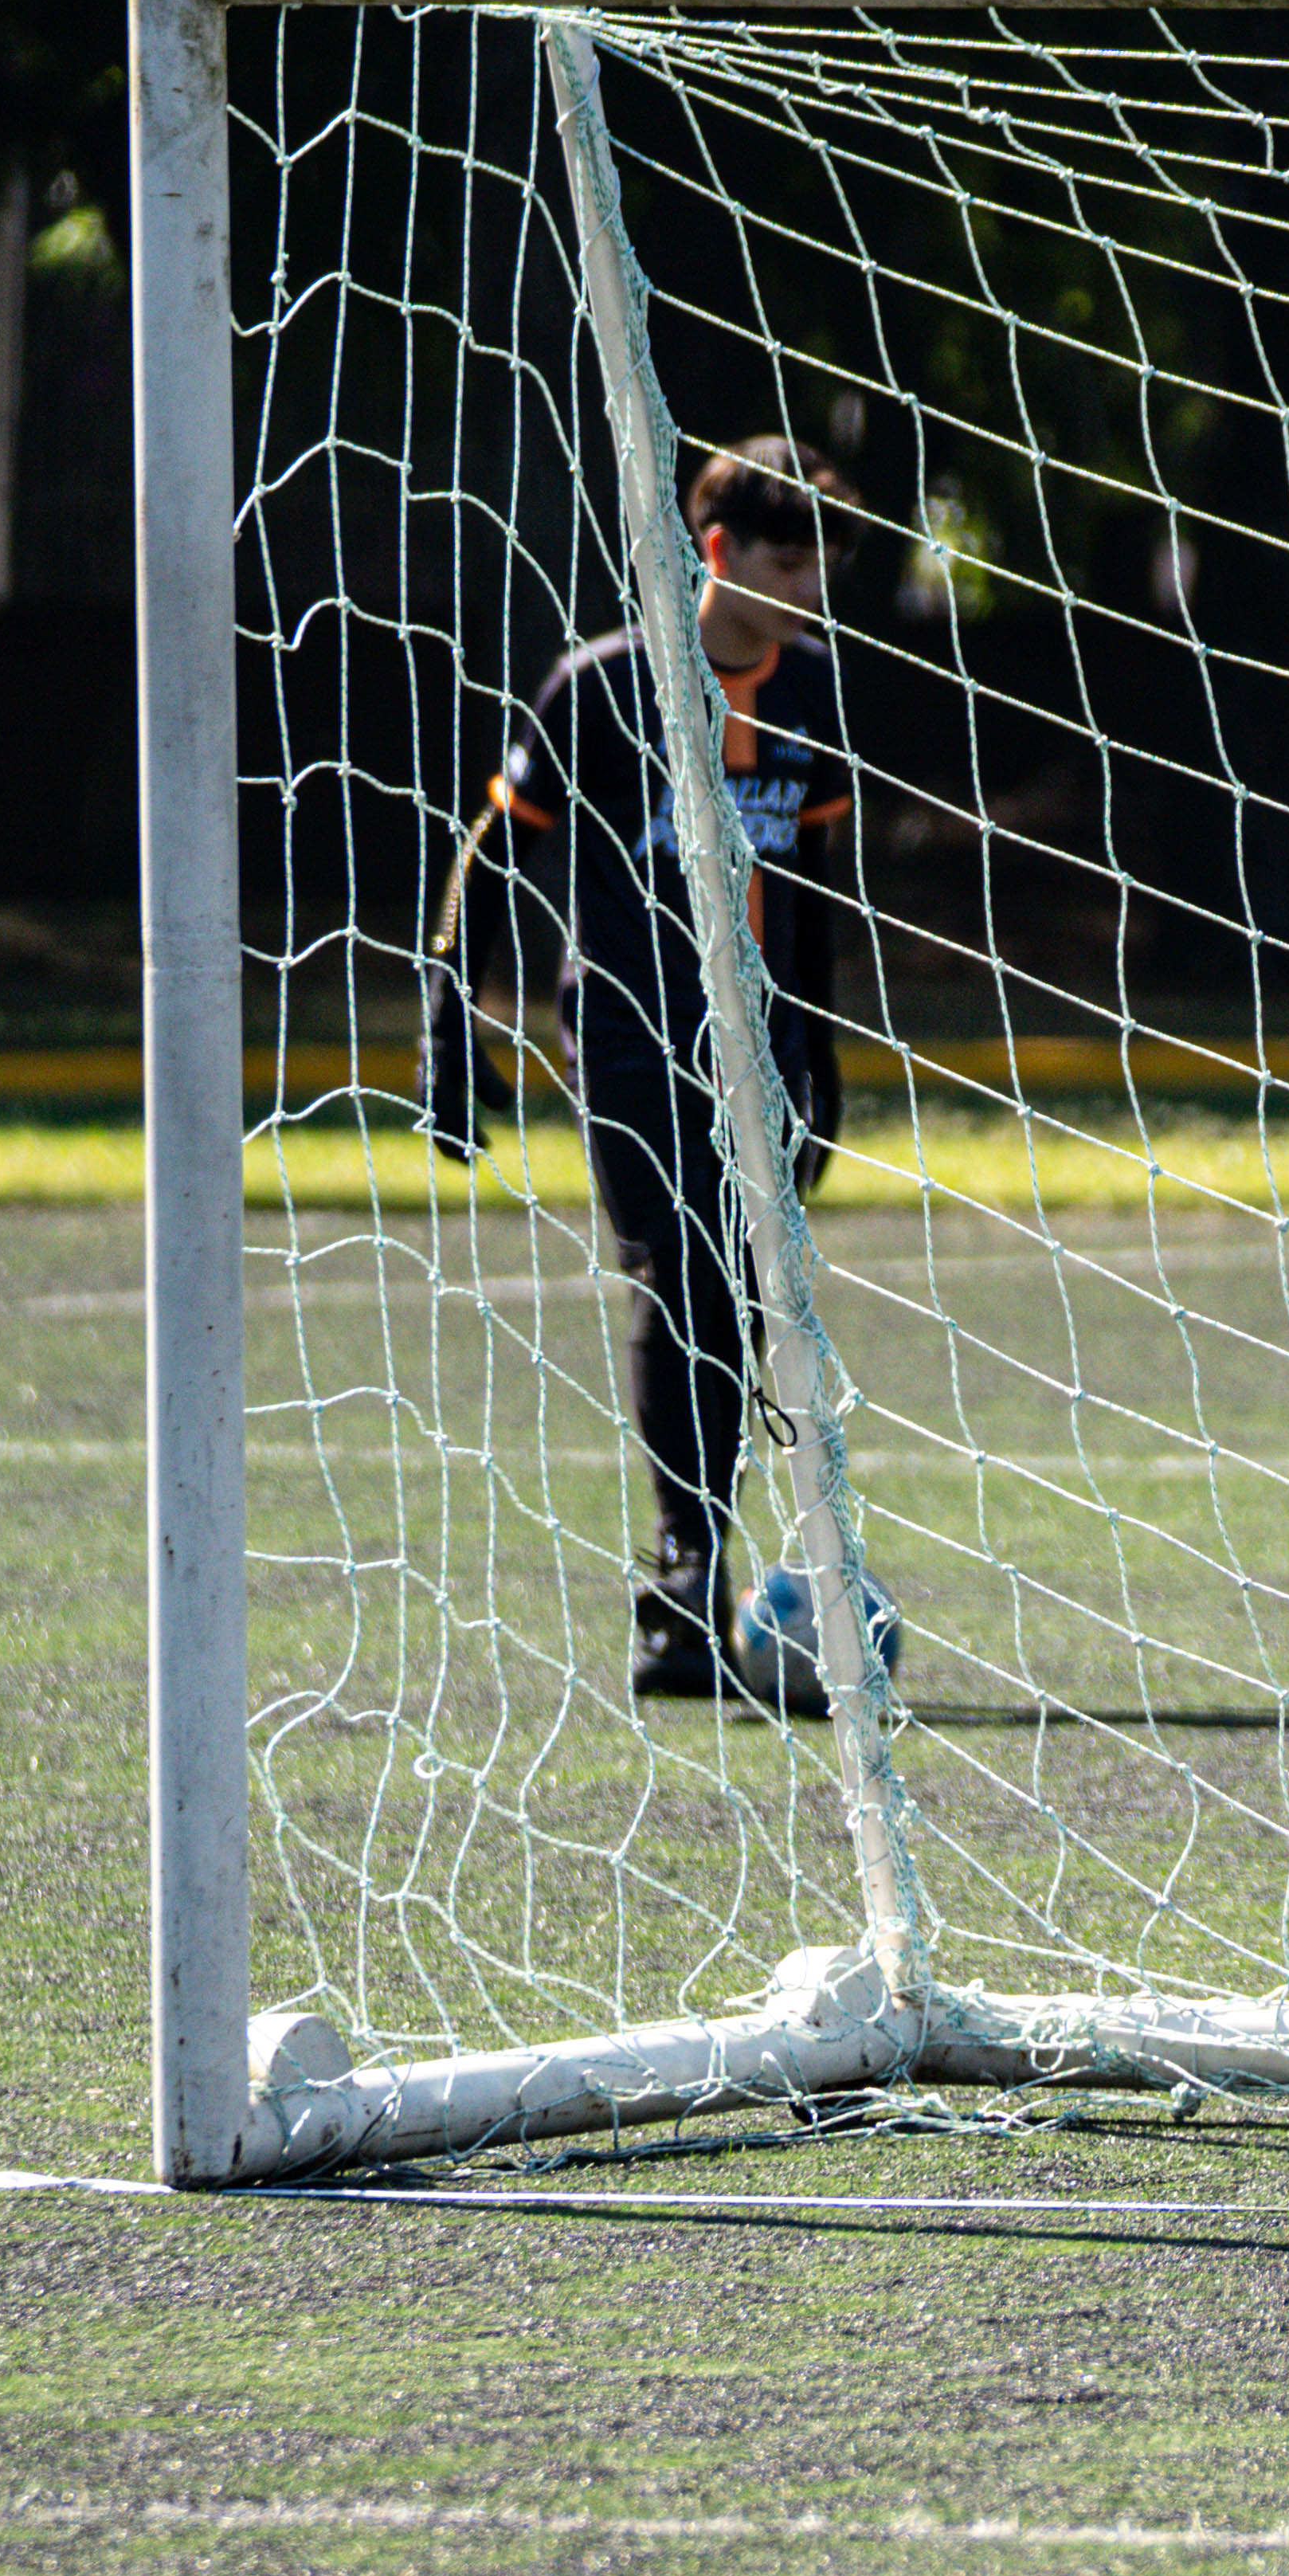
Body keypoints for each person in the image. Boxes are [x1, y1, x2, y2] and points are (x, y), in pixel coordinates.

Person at [463, 433, 863, 1708]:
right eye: (786, 564)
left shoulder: (813, 694)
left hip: (768, 1052)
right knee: (678, 1271)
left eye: (820, 572)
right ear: (717, 550)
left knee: (740, 1297)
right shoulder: (597, 687)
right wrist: (450, 1010)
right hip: (629, 1037)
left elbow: (815, 900)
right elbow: (496, 852)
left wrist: (826, 1057)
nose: (804, 593)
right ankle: (686, 1570)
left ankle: (696, 1570)